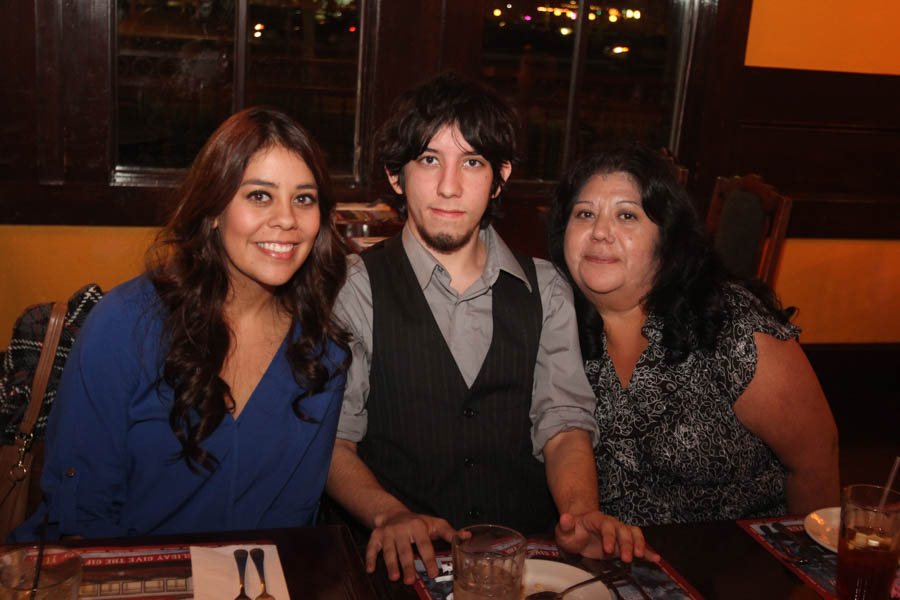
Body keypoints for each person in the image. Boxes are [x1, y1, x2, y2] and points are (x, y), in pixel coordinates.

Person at [326, 73, 656, 585]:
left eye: (472, 162)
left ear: (500, 177)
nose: (449, 186)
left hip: (523, 563)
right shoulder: (357, 287)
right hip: (405, 567)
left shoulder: (546, 288)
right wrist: (387, 513)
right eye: (429, 159)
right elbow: (333, 442)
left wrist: (579, 512)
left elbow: (564, 425)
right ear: (396, 174)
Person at [12, 107, 350, 540]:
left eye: (304, 198)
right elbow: (81, 517)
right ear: (213, 211)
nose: (286, 219)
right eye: (259, 195)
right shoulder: (125, 325)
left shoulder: (322, 351)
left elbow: (296, 521)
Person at [547, 144, 840, 526]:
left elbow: (816, 460)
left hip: (736, 562)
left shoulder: (731, 326)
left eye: (627, 216)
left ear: (666, 238)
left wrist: (808, 569)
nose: (601, 232)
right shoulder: (553, 320)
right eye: (585, 214)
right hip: (614, 561)